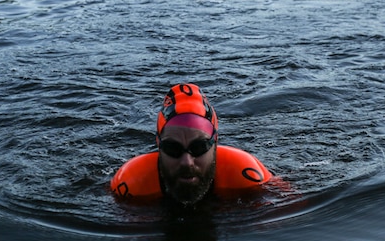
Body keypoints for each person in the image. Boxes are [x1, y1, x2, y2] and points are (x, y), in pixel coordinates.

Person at [111, 83, 273, 205]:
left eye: (199, 147)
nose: (187, 162)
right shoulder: (130, 183)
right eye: (173, 148)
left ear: (215, 142)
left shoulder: (249, 176)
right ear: (158, 145)